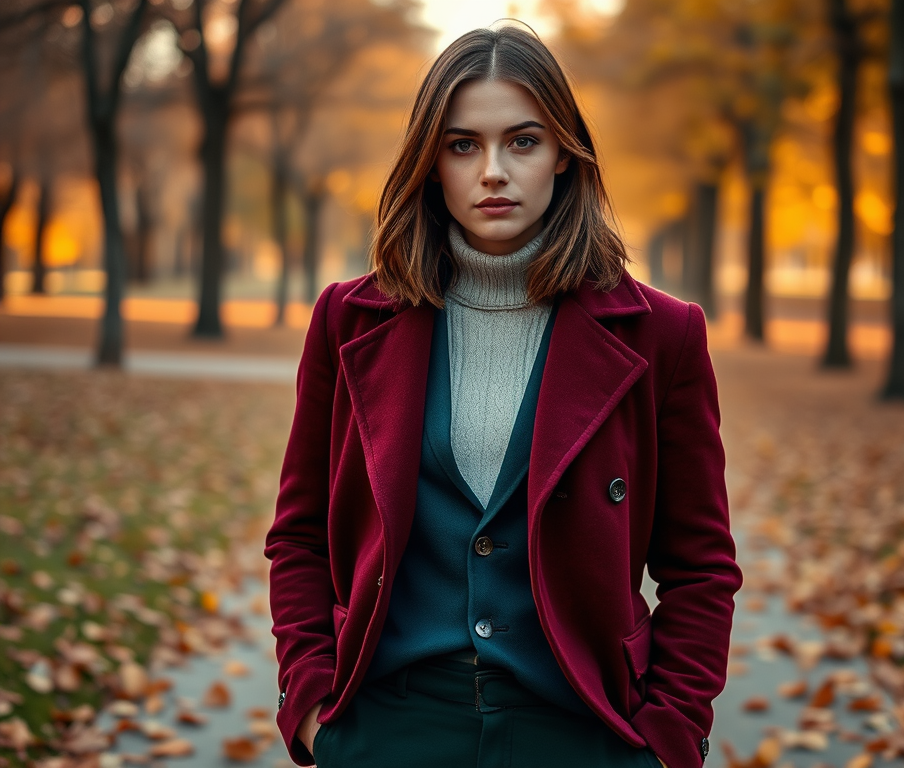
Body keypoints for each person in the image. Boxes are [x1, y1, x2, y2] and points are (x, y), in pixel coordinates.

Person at [265, 22, 741, 768]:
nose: (493, 170)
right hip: (389, 728)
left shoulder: (664, 336)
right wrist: (313, 709)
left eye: (522, 141)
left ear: (563, 155)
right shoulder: (346, 320)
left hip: (583, 730)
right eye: (463, 145)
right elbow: (299, 535)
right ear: (430, 164)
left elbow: (701, 565)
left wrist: (669, 739)